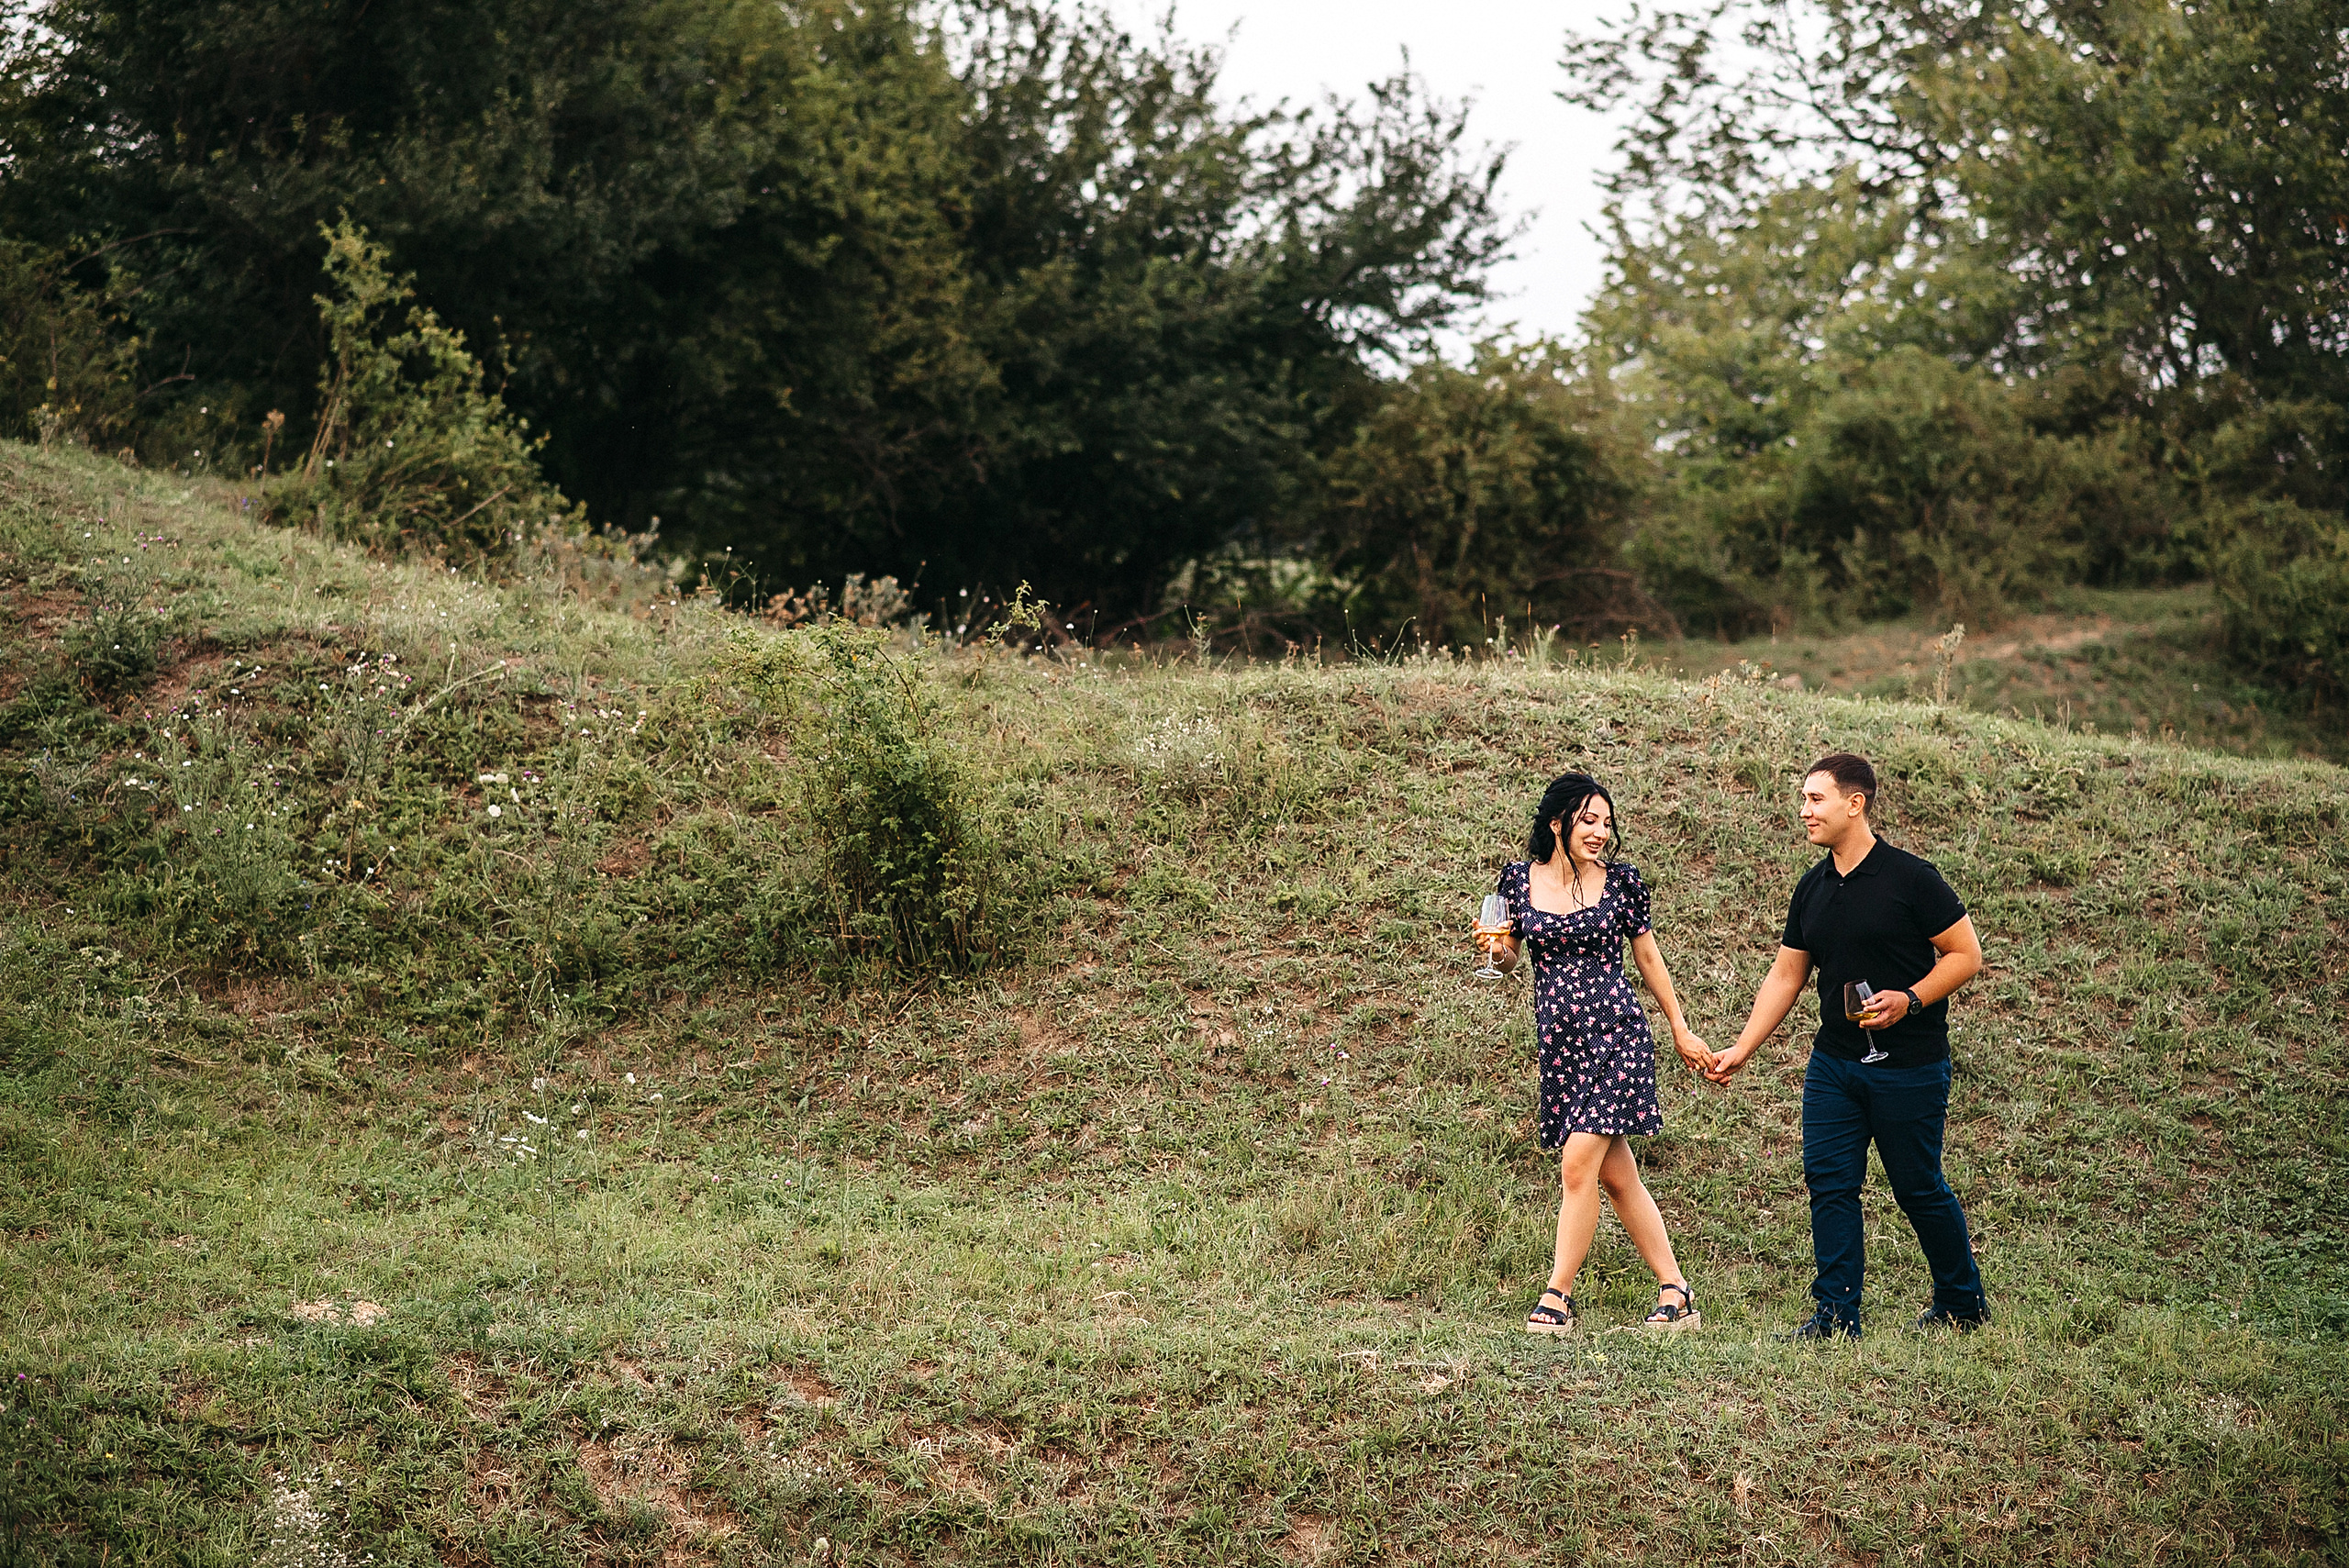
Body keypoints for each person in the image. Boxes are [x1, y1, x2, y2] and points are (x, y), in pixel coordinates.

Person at [1705, 752, 1989, 1339]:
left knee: (1918, 1188)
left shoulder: (1912, 879)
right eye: (1804, 799)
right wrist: (1743, 1048)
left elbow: (1966, 955)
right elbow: (1787, 976)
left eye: (1816, 799)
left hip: (1909, 1066)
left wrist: (1910, 999)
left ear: (1855, 804)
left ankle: (1962, 1303)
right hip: (1834, 1065)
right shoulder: (1812, 888)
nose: (1804, 811)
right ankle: (1836, 1317)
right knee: (1830, 1186)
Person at [1477, 773, 1713, 1336]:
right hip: (1561, 1046)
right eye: (1589, 820)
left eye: (1607, 822)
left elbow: (1648, 959)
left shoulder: (1621, 882)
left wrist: (1679, 1027)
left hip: (1616, 1037)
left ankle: (1557, 1295)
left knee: (1578, 1164)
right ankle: (1676, 1291)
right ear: (1558, 823)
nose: (1601, 832)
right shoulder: (1517, 881)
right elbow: (1509, 958)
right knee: (1618, 1177)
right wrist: (1495, 948)